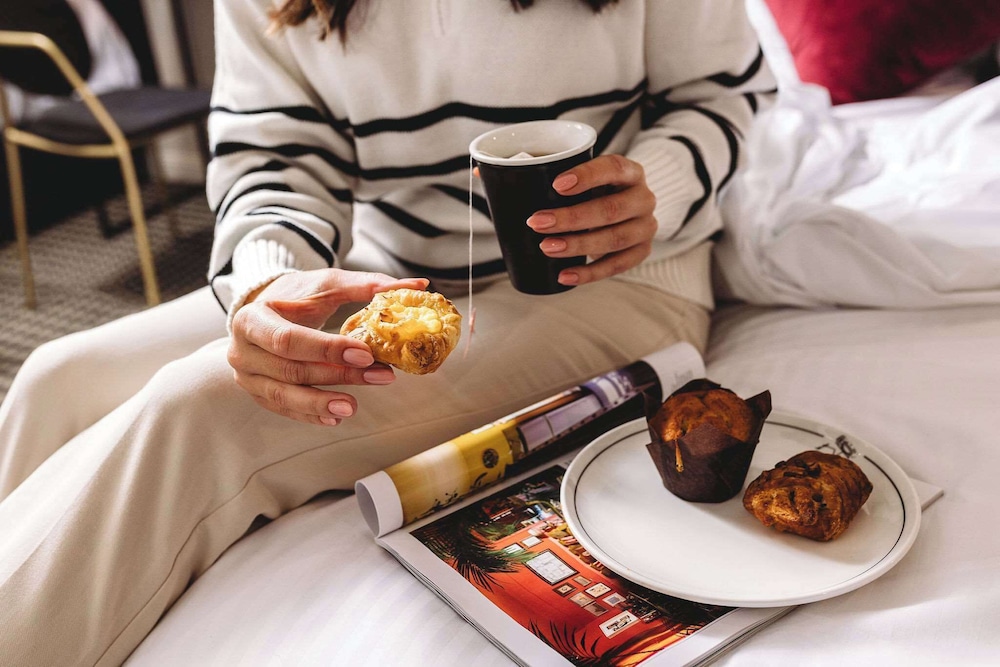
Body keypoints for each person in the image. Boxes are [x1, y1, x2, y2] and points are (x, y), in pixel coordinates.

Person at [0, 0, 775, 664]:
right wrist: (269, 285)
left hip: (621, 280)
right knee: (57, 376)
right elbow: (275, 153)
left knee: (202, 407)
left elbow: (721, 92)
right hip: (393, 266)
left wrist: (654, 186)